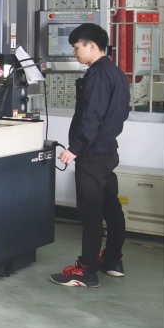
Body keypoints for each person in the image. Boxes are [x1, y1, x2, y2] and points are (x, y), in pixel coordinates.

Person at [51, 23, 129, 288]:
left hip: (92, 155)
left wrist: (76, 148)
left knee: (91, 213)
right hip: (107, 152)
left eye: (76, 47)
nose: (74, 53)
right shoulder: (116, 73)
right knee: (111, 208)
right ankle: (112, 260)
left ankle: (86, 270)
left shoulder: (97, 75)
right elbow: (121, 113)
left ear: (92, 45)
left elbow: (91, 116)